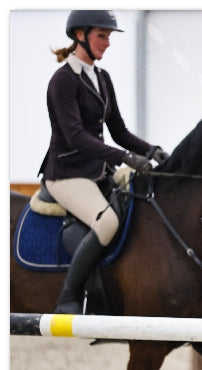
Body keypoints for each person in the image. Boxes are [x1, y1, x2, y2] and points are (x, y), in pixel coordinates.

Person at [42, 10, 169, 314]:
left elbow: (119, 131)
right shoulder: (62, 81)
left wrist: (152, 151)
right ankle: (69, 298)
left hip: (96, 171)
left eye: (109, 37)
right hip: (66, 174)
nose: (108, 43)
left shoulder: (102, 77)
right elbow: (75, 137)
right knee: (107, 221)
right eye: (102, 36)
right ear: (79, 35)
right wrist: (125, 157)